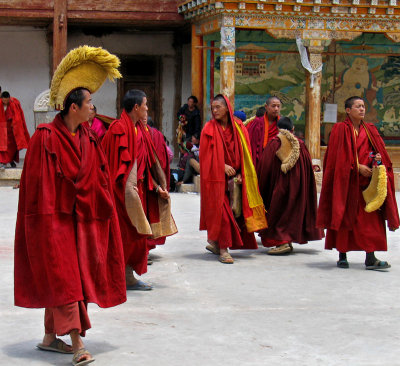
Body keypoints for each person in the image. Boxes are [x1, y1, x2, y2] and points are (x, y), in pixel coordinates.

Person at [14, 46, 126, 366]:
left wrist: (103, 213)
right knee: (66, 280)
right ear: (73, 107)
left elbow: (100, 179)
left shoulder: (89, 139)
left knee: (75, 278)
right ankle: (77, 343)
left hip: (82, 221)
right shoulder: (45, 139)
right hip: (53, 221)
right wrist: (46, 225)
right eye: (89, 103)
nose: (93, 108)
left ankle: (50, 337)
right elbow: (37, 190)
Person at [102, 89, 177, 290]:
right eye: (145, 104)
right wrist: (130, 195)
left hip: (139, 190)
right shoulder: (119, 130)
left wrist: (158, 186)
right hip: (122, 195)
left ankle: (125, 276)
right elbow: (120, 170)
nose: (146, 108)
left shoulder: (139, 130)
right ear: (136, 107)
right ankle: (123, 278)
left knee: (136, 237)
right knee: (127, 236)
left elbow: (147, 162)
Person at [317, 96, 399, 270]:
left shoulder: (370, 130)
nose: (362, 109)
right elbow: (335, 159)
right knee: (344, 217)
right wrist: (356, 167)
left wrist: (376, 160)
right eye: (358, 106)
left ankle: (370, 257)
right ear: (348, 110)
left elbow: (379, 153)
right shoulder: (340, 129)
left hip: (366, 185)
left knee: (370, 223)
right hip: (346, 184)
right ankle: (342, 255)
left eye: (363, 106)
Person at [200, 94, 267, 264]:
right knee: (222, 215)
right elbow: (205, 156)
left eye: (218, 107)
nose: (214, 111)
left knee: (234, 213)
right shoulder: (208, 129)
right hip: (216, 180)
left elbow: (246, 155)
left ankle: (216, 242)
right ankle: (224, 249)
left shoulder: (239, 128)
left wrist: (239, 172)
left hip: (234, 179)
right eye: (212, 108)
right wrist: (221, 166)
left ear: (226, 108)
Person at [257, 117, 323, 254]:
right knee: (292, 213)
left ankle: (282, 242)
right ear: (293, 129)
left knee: (278, 212)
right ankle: (287, 240)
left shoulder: (274, 144)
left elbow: (265, 168)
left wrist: (262, 187)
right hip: (298, 188)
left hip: (279, 187)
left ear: (277, 129)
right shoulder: (300, 145)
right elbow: (307, 169)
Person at [246, 96, 281, 170]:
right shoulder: (258, 122)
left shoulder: (282, 124)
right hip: (260, 162)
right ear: (266, 107)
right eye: (273, 106)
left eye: (278, 106)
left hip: (277, 163)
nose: (276, 109)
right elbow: (251, 145)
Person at [0, 91, 30, 169]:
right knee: (3, 146)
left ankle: (10, 161)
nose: (5, 102)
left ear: (9, 98)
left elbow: (18, 117)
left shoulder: (14, 103)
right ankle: (4, 162)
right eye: (4, 101)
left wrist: (15, 125)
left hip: (12, 129)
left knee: (12, 147)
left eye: (6, 101)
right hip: (2, 128)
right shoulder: (0, 104)